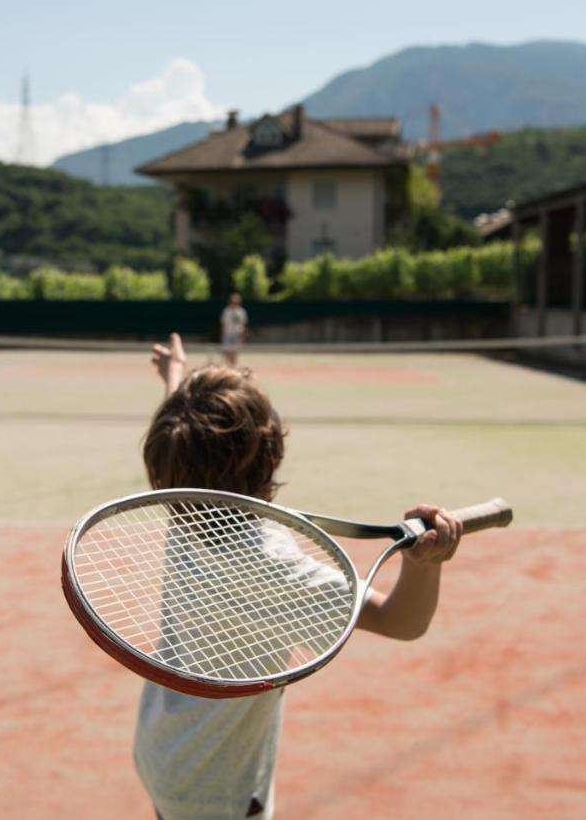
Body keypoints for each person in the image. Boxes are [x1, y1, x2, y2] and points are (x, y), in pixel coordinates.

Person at [136, 333, 466, 820]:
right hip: (217, 793)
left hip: (164, 753)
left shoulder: (184, 507)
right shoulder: (273, 566)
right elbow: (402, 621)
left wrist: (175, 376)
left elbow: (186, 446)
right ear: (270, 454)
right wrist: (423, 565)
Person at [219, 293, 248, 366]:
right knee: (227, 351)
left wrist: (243, 335)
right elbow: (223, 324)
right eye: (233, 301)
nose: (234, 303)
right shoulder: (226, 311)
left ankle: (234, 366)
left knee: (235, 352)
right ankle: (228, 366)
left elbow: (243, 324)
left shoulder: (241, 312)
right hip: (228, 333)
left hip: (237, 334)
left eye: (236, 302)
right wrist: (222, 334)